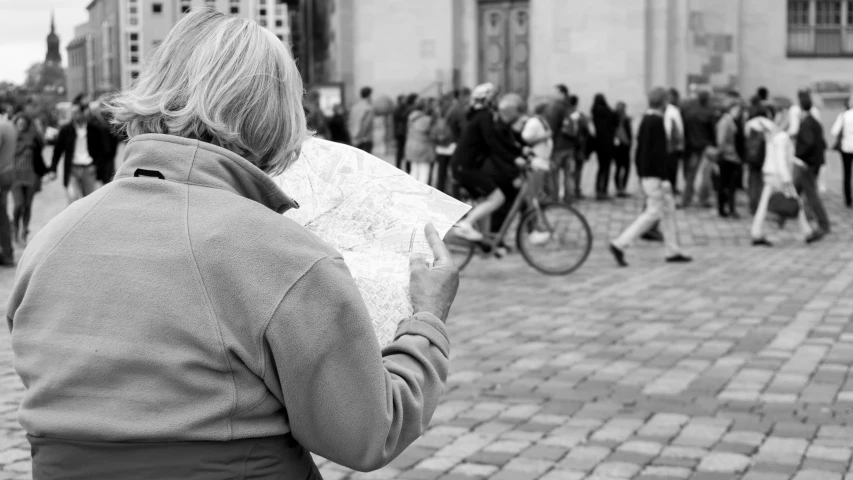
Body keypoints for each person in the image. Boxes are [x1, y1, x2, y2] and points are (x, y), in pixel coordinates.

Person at [7, 9, 458, 479]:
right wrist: (425, 322)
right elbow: (368, 434)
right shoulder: (285, 254)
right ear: (278, 115)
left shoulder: (50, 240)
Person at [609, 87, 691, 267]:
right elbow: (658, 153)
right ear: (663, 102)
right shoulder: (657, 122)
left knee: (668, 211)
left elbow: (640, 150)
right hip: (655, 176)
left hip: (648, 174)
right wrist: (664, 179)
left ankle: (672, 250)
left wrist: (640, 172)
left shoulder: (646, 120)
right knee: (653, 212)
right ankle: (620, 243)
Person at [450, 83, 525, 241]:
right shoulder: (485, 117)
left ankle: (485, 241)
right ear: (488, 100)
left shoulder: (481, 116)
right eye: (494, 98)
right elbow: (493, 143)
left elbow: (499, 140)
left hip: (465, 166)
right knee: (498, 198)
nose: (497, 102)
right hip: (466, 168)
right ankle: (465, 225)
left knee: (486, 202)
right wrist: (515, 157)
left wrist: (520, 151)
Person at [750, 100, 817, 245]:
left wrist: (797, 162)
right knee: (796, 201)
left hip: (770, 173)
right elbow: (781, 159)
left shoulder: (772, 134)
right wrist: (787, 179)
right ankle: (807, 232)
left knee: (764, 205)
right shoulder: (781, 136)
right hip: (778, 175)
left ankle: (757, 233)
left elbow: (783, 156)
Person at [49, 103, 108, 203]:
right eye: (72, 113)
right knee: (72, 198)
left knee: (89, 201)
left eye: (76, 112)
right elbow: (57, 150)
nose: (74, 115)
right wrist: (53, 169)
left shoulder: (94, 129)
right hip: (72, 169)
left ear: (83, 113)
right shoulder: (66, 130)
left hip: (89, 168)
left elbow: (103, 150)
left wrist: (97, 166)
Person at [794, 91, 831, 239]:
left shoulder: (807, 123)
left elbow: (809, 143)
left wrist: (798, 155)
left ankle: (824, 224)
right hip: (812, 163)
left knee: (811, 195)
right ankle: (782, 215)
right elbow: (822, 143)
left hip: (807, 164)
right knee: (794, 190)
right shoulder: (814, 121)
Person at [10, 115, 47, 245]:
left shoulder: (34, 139)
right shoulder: (11, 139)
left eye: (23, 123)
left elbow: (41, 151)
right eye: (18, 123)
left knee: (27, 206)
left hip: (31, 176)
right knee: (18, 205)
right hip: (15, 176)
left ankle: (24, 230)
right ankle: (15, 227)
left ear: (27, 125)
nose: (21, 126)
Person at [681, 90, 717, 208]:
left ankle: (686, 199)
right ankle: (703, 199)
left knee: (691, 175)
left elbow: (685, 130)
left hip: (692, 147)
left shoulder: (689, 112)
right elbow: (713, 131)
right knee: (706, 175)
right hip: (705, 147)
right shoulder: (709, 112)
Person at [540, 84, 572, 202]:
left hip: (558, 146)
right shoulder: (569, 106)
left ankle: (554, 198)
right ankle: (569, 197)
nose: (552, 94)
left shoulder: (555, 107)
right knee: (569, 175)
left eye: (555, 91)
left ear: (561, 93)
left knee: (554, 174)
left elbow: (551, 128)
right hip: (569, 145)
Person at [743, 107, 774, 214]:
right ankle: (761, 205)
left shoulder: (750, 123)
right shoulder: (770, 124)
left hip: (752, 157)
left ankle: (752, 204)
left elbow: (746, 137)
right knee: (762, 181)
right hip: (765, 156)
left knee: (752, 180)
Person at [716, 100, 742, 218]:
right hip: (727, 157)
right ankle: (724, 209)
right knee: (725, 185)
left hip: (730, 157)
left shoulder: (729, 121)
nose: (739, 112)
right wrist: (724, 152)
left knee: (729, 185)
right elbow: (721, 141)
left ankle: (729, 208)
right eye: (737, 109)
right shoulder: (725, 122)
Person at [405, 98, 436, 184]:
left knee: (414, 170)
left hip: (412, 146)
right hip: (423, 148)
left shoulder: (411, 117)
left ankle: (411, 190)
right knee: (424, 172)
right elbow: (432, 134)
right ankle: (422, 193)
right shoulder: (426, 119)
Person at [591, 93, 617, 199]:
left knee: (601, 167)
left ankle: (598, 189)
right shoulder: (607, 111)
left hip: (599, 143)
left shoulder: (595, 112)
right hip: (608, 143)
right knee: (606, 167)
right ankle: (604, 190)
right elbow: (615, 120)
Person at [830, 97, 853, 207]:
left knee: (847, 174)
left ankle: (848, 199)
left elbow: (834, 131)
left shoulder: (844, 115)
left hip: (846, 148)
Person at [0, 116, 16, 266]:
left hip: (1, 173)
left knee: (2, 216)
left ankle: (6, 253)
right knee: (3, 214)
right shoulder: (10, 126)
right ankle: (7, 252)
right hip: (8, 172)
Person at [665, 88, 685, 196]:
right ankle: (670, 189)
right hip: (671, 145)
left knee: (673, 168)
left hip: (672, 145)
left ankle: (672, 187)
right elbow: (675, 129)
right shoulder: (671, 110)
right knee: (670, 168)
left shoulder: (674, 109)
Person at [613, 101, 632, 197]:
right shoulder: (623, 119)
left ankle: (620, 188)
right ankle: (621, 188)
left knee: (620, 168)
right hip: (623, 148)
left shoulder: (615, 119)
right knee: (624, 168)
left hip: (619, 148)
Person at [349, 86, 375, 153]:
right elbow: (366, 124)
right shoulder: (368, 107)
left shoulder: (354, 107)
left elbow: (350, 122)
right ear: (369, 95)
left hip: (354, 138)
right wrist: (360, 136)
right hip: (365, 139)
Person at [393, 94, 410, 170]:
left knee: (403, 151)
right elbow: (402, 117)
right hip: (401, 132)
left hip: (401, 132)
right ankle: (398, 166)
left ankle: (401, 166)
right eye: (404, 99)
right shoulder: (398, 109)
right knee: (400, 151)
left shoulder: (403, 108)